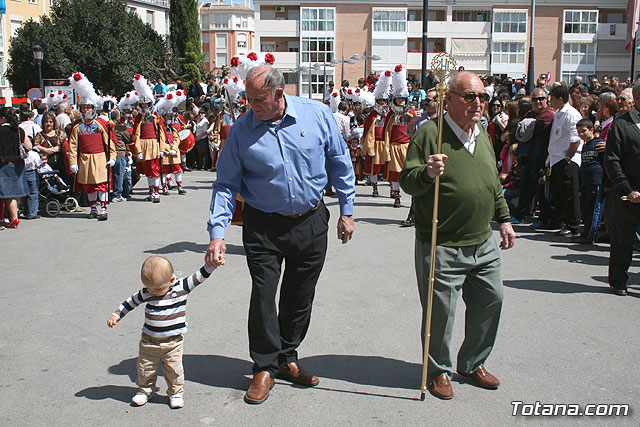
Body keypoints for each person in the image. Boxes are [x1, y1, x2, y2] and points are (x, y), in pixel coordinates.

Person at [205, 65, 356, 405]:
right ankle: (263, 366)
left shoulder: (316, 115)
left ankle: (287, 357)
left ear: (278, 93)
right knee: (263, 293)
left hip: (310, 221)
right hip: (263, 226)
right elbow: (226, 184)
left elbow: (340, 162)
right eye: (248, 98)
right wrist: (217, 233)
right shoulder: (242, 131)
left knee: (300, 294)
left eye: (258, 99)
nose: (251, 105)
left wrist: (347, 211)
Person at [399, 71, 516, 400]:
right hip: (442, 241)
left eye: (482, 97)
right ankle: (437, 370)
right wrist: (427, 173)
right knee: (440, 312)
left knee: (491, 300)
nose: (478, 103)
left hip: (482, 240)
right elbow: (408, 181)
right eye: (469, 97)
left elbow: (492, 183)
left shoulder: (483, 133)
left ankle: (473, 362)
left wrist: (504, 219)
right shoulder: (430, 134)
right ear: (448, 99)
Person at [107, 256, 216, 408]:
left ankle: (175, 392)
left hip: (173, 342)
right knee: (146, 368)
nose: (153, 292)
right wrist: (117, 314)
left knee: (174, 369)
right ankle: (145, 390)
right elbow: (130, 302)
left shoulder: (181, 287)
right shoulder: (147, 292)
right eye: (149, 287)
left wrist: (212, 265)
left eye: (158, 289)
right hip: (149, 341)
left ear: (172, 279)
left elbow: (199, 276)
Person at [604, 84, 640, 296]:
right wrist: (628, 188)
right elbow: (612, 160)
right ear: (635, 98)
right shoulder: (622, 125)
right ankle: (618, 280)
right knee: (623, 240)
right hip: (629, 193)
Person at [68, 72, 116, 221]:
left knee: (101, 184)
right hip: (84, 159)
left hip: (100, 158)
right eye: (84, 108)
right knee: (89, 185)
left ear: (93, 108)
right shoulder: (77, 127)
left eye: (88, 108)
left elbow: (110, 142)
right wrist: (73, 163)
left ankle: (104, 208)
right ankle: (93, 208)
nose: (86, 110)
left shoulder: (100, 124)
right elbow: (73, 146)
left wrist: (112, 157)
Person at [547, 85, 583, 236]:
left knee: (570, 193)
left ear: (560, 99)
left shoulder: (571, 114)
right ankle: (562, 220)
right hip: (556, 159)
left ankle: (573, 225)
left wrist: (568, 156)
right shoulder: (559, 113)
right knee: (560, 193)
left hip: (566, 159)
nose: (550, 102)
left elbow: (575, 139)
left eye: (552, 99)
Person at [573, 119, 604, 244]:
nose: (581, 134)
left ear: (591, 130)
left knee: (594, 210)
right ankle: (586, 232)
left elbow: (605, 163)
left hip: (596, 181)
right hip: (586, 182)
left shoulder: (600, 144)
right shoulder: (585, 146)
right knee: (586, 209)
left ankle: (590, 235)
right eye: (579, 132)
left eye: (584, 131)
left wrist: (606, 183)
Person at [0, 107, 31, 228]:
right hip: (19, 164)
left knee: (8, 194)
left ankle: (14, 218)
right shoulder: (19, 130)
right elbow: (29, 146)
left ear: (2, 118)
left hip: (4, 164)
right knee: (17, 192)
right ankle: (15, 214)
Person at [110, 110, 131, 202]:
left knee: (114, 175)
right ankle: (117, 194)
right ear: (117, 117)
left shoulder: (108, 125)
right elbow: (128, 138)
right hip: (119, 152)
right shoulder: (120, 127)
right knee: (120, 174)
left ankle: (114, 193)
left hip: (111, 153)